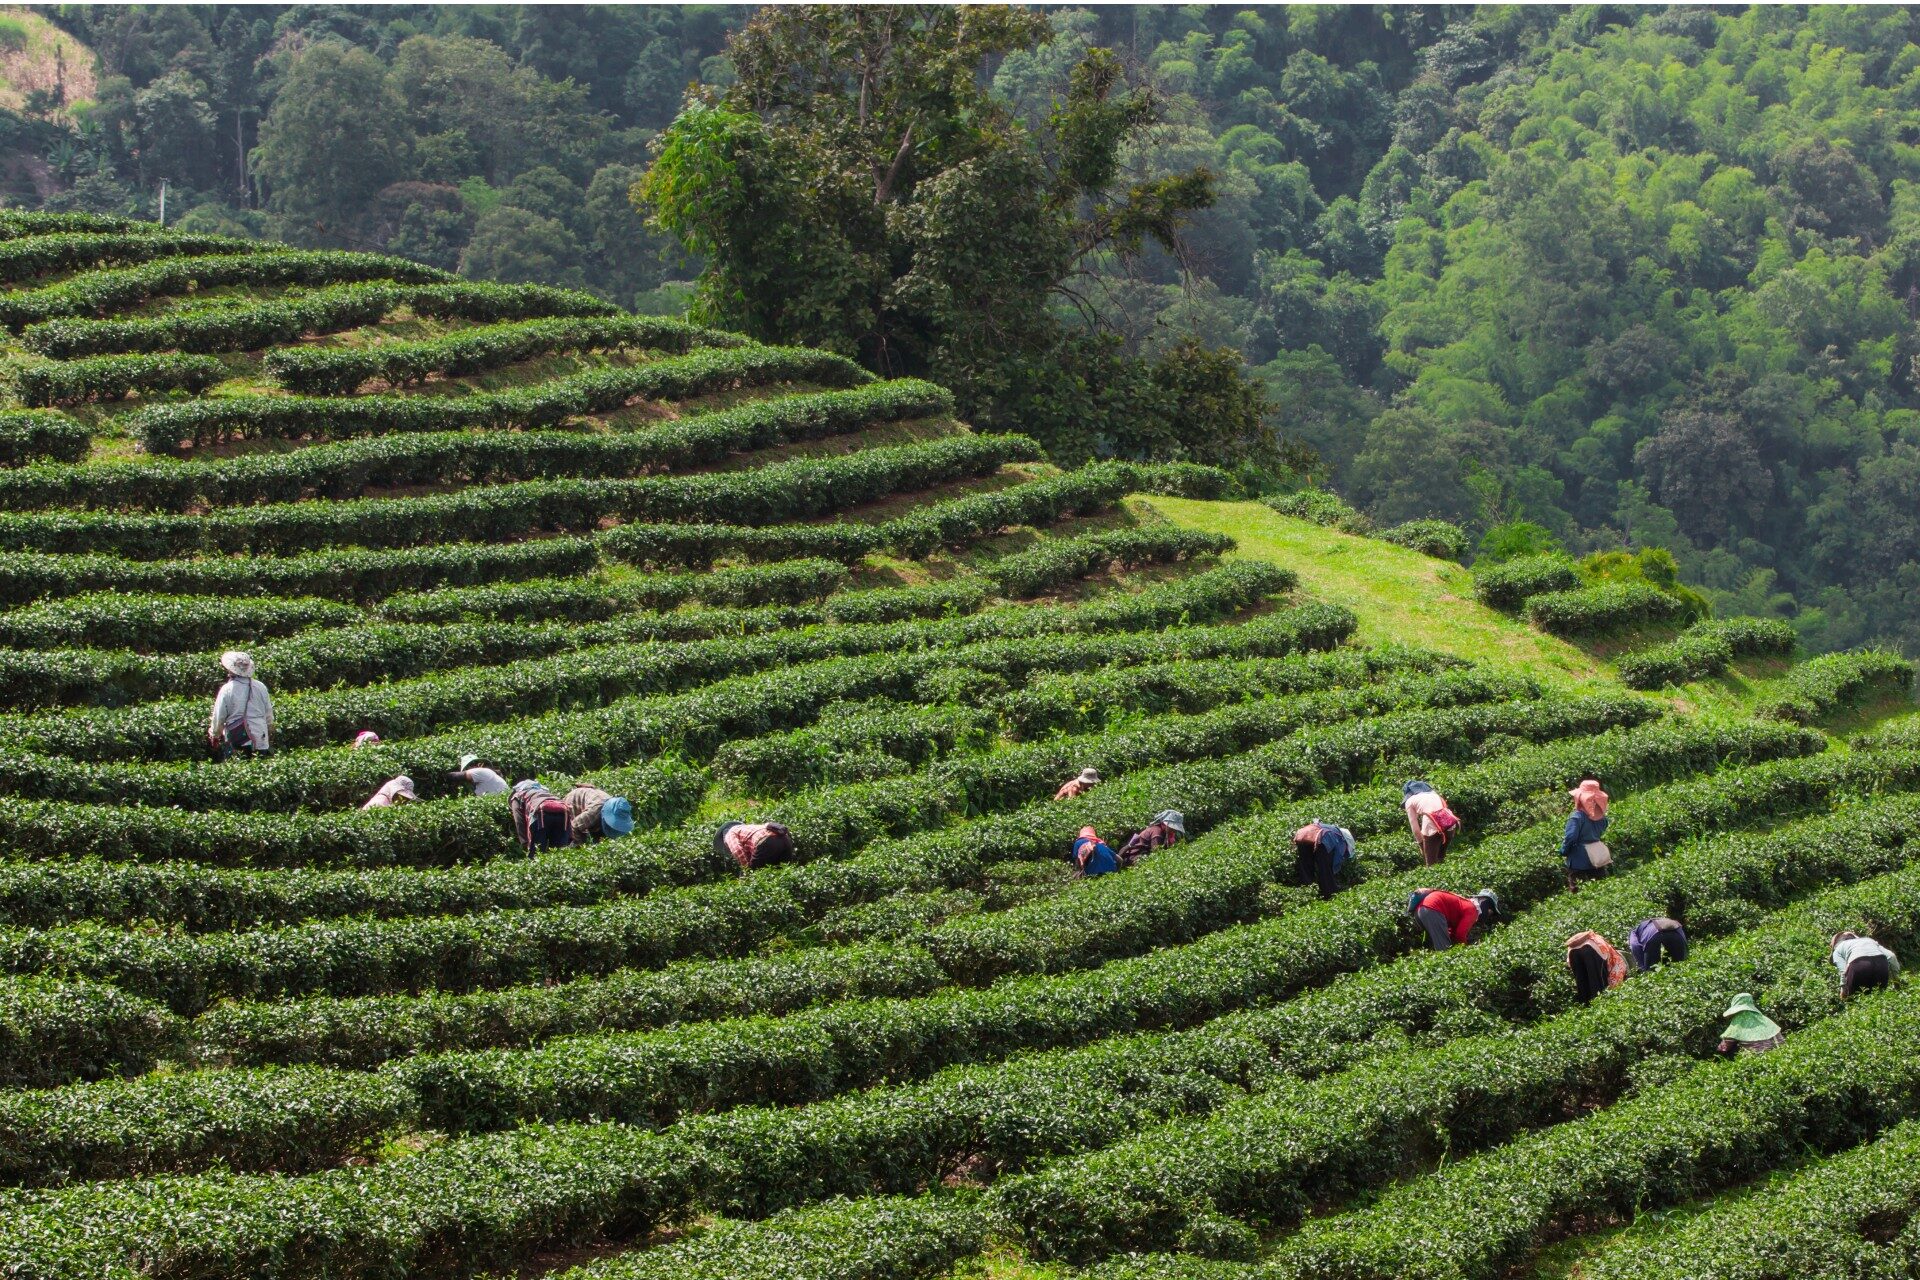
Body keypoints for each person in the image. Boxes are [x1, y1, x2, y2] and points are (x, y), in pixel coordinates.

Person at [207, 651, 274, 760]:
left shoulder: (227, 689)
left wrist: (215, 735)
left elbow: (219, 715)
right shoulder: (260, 686)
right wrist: (269, 730)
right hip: (260, 736)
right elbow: (268, 714)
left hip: (237, 736)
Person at [1560, 775, 1612, 891]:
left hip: (1579, 861)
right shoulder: (1603, 818)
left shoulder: (1577, 817)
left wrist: (1564, 851)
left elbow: (1571, 838)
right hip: (1597, 858)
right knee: (1600, 890)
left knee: (1577, 890)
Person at [1407, 887, 1498, 952]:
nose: (1489, 914)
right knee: (1445, 951)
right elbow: (1460, 934)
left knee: (1435, 945)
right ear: (1486, 904)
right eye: (1491, 911)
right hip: (1432, 910)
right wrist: (1464, 951)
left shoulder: (1465, 903)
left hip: (1419, 912)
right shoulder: (1472, 910)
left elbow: (1452, 932)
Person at [1292, 820, 1353, 900]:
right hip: (1321, 837)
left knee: (1305, 865)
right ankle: (1329, 894)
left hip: (1302, 835)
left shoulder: (1331, 829)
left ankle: (1307, 891)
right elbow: (1334, 860)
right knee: (1325, 867)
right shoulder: (1340, 838)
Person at [1832, 931, 1901, 999]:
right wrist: (1897, 983)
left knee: (1853, 1001)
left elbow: (1844, 971)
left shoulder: (1838, 949)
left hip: (1859, 966)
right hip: (1881, 964)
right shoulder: (1869, 940)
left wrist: (1843, 992)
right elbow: (1891, 956)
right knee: (1879, 999)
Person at [1564, 929, 1627, 1004]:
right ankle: (1600, 1005)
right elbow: (1615, 984)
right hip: (1592, 948)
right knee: (1598, 983)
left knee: (1581, 983)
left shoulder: (1613, 955)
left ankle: (1585, 1005)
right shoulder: (1620, 963)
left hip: (1572, 950)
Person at [1403, 781, 1457, 867]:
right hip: (1449, 824)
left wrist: (1422, 846)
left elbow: (1416, 830)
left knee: (1431, 865)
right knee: (1440, 858)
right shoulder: (1435, 795)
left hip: (1431, 824)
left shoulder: (1409, 801)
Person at [509, 779, 572, 853]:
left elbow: (518, 820)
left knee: (537, 853)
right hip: (563, 813)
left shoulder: (517, 796)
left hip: (541, 814)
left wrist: (524, 842)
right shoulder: (545, 792)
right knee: (559, 852)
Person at [565, 783, 635, 842]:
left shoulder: (613, 806)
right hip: (574, 802)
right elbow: (574, 825)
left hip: (592, 804)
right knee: (577, 834)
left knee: (598, 834)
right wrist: (579, 845)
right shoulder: (594, 811)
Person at [715, 820, 794, 872]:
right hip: (785, 839)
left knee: (756, 875)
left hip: (767, 842)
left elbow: (737, 851)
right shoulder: (746, 828)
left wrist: (747, 871)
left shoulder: (729, 834)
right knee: (783, 872)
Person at [1716, 993, 1783, 1054]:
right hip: (1773, 1057)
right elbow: (1781, 1042)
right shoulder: (1765, 1020)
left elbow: (1724, 1048)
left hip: (1751, 1059)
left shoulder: (1738, 1021)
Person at [1115, 810, 1184, 868]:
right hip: (1134, 858)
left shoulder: (1164, 832)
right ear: (1164, 824)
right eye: (1172, 827)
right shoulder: (1157, 832)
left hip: (1142, 856)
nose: (1174, 830)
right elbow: (1157, 852)